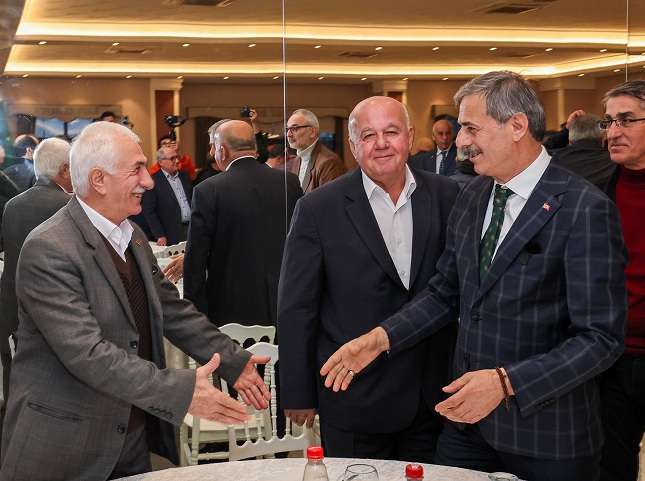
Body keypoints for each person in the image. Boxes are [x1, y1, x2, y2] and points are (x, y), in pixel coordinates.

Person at [320, 71, 627, 481]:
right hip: (466, 429)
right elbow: (444, 293)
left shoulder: (583, 208)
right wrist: (380, 339)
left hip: (547, 438)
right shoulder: (473, 197)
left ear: (516, 126)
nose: (461, 140)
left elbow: (600, 339)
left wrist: (505, 383)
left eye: (471, 128)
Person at [0, 121, 270, 480]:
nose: (148, 181)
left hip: (130, 438)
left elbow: (172, 310)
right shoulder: (49, 247)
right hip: (65, 447)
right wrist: (182, 392)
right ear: (99, 180)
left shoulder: (133, 236)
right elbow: (88, 354)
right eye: (137, 169)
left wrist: (235, 361)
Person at [278, 96, 460, 462]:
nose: (381, 144)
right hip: (353, 396)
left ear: (409, 137)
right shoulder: (318, 208)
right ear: (352, 146)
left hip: (433, 396)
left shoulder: (449, 195)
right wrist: (299, 393)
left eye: (391, 132)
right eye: (368, 135)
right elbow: (297, 307)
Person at [184, 120, 302, 327]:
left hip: (231, 306)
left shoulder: (207, 190)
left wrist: (193, 313)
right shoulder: (288, 182)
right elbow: (301, 241)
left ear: (222, 151)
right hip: (285, 297)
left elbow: (196, 258)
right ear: (254, 149)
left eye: (214, 148)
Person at [0, 138, 72, 440]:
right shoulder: (69, 207)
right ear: (65, 170)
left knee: (14, 376)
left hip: (10, 304)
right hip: (54, 307)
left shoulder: (13, 205)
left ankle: (13, 435)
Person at [598, 80, 645, 481]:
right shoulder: (595, 190)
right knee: (612, 468)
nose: (613, 132)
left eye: (627, 120)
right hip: (611, 358)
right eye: (609, 121)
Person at [142, 146, 193, 246]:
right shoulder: (153, 181)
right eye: (172, 158)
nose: (177, 161)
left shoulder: (184, 176)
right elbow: (149, 211)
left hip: (192, 227)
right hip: (171, 233)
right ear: (161, 162)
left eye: (177, 157)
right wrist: (159, 234)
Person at [286, 108, 347, 193]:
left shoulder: (329, 163)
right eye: (287, 129)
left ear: (312, 132)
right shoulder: (297, 160)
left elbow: (331, 200)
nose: (288, 134)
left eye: (294, 128)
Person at [551, 113, 614, 191]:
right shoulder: (614, 162)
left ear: (570, 141)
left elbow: (542, 150)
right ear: (602, 140)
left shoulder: (552, 159)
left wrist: (565, 131)